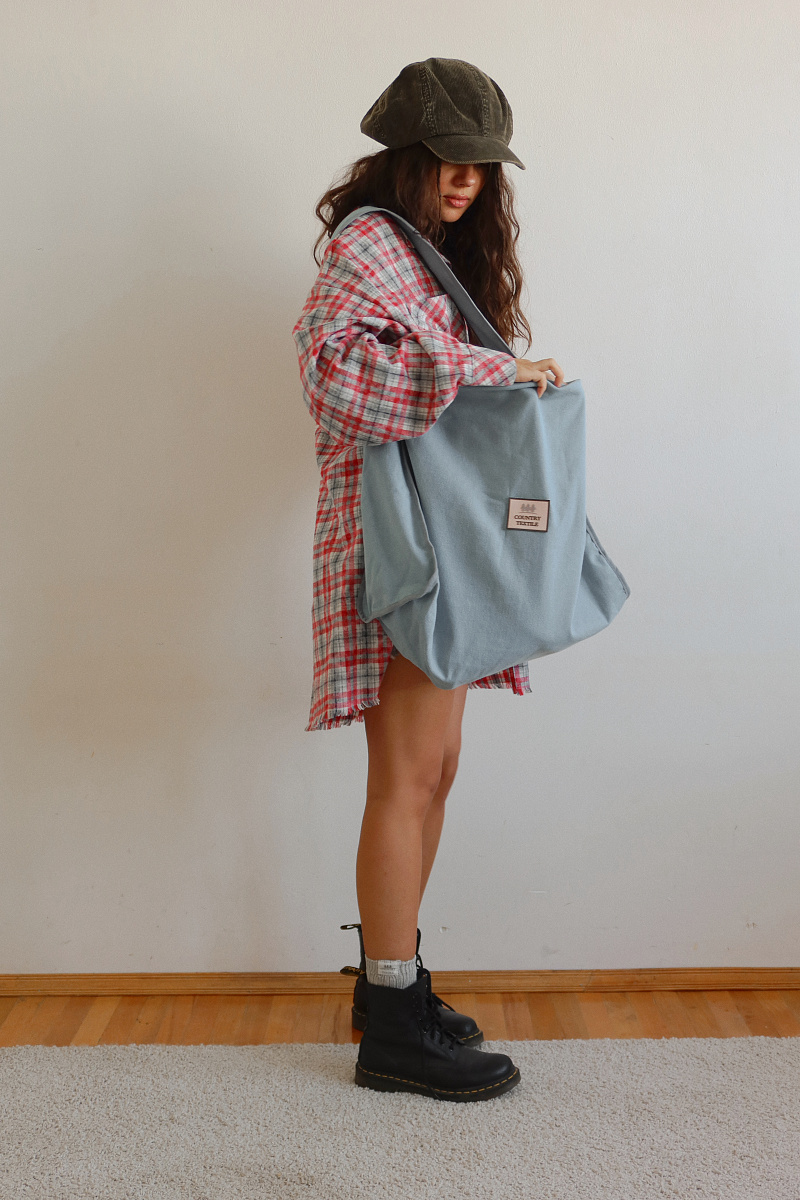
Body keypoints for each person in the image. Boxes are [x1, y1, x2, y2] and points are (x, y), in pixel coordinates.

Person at [293, 58, 563, 1102]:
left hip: (436, 536)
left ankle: (391, 986)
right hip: (398, 543)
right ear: (403, 155)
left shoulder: (428, 254)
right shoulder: (369, 245)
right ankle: (395, 1030)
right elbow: (335, 377)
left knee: (434, 771)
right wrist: (496, 370)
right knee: (404, 778)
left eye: (481, 165)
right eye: (448, 158)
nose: (465, 179)